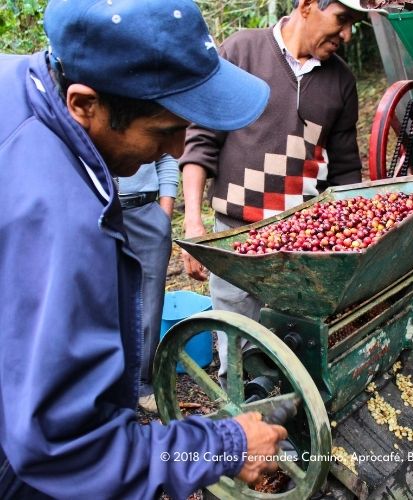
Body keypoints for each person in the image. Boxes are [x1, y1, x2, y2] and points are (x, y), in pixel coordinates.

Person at [0, 0, 288, 498]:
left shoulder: (21, 80)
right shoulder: (66, 225)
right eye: (164, 131)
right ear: (84, 105)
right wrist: (226, 445)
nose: (177, 150)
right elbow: (68, 451)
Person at [180, 0, 375, 383]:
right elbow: (201, 141)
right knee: (236, 335)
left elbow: (346, 171)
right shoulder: (241, 52)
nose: (348, 35)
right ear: (307, 6)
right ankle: (241, 404)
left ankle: (290, 402)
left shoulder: (340, 81)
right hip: (237, 236)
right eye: (342, 20)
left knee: (296, 340)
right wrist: (192, 223)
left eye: (354, 23)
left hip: (305, 242)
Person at [118, 156, 179, 414]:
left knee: (149, 303)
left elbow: (166, 158)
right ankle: (106, 385)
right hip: (98, 209)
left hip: (146, 212)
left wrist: (164, 214)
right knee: (100, 297)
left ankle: (142, 383)